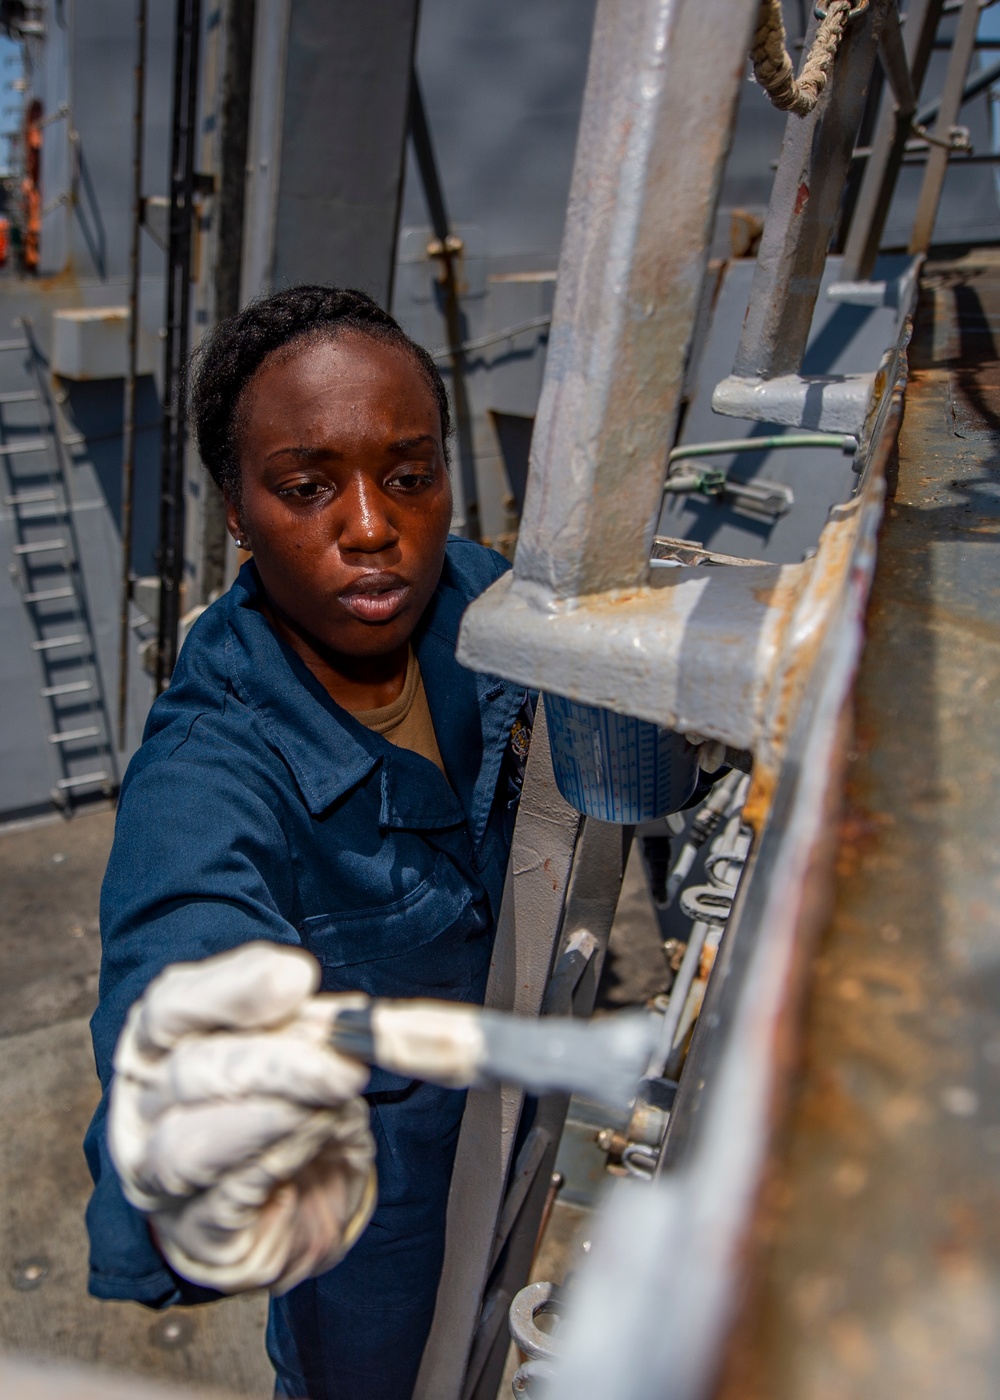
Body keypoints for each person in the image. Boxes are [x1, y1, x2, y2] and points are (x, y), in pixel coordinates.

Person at [84, 286, 533, 1400]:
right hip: (378, 1203)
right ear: (237, 509)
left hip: (517, 1106)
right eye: (308, 486)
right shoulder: (213, 755)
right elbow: (182, 930)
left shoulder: (485, 597)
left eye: (409, 474)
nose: (374, 526)